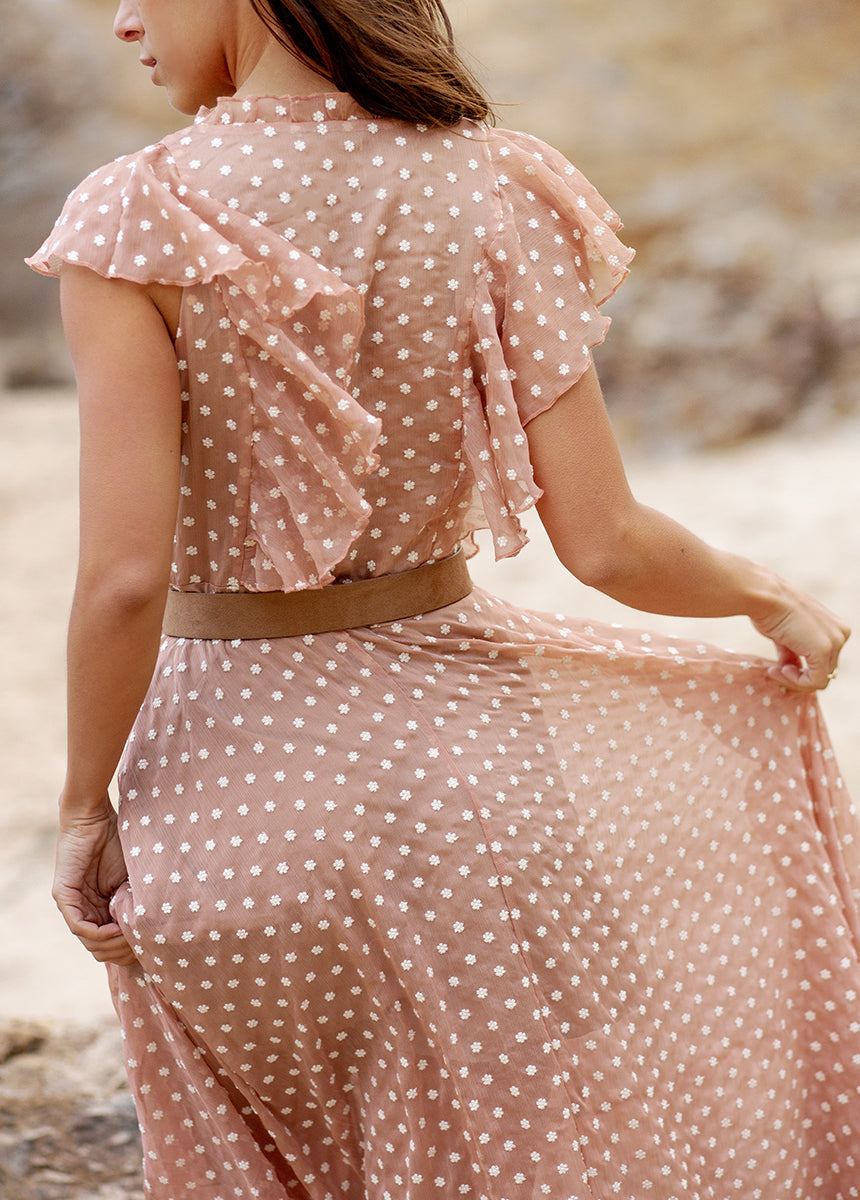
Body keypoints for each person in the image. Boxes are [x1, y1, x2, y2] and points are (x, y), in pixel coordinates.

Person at [27, 0, 860, 1196]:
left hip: (227, 815)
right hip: (475, 818)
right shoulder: (489, 182)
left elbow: (120, 580)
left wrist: (81, 811)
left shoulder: (137, 212)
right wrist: (764, 597)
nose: (120, 21)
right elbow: (608, 541)